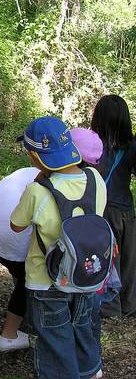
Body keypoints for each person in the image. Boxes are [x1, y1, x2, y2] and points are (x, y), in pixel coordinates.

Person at [11, 116, 106, 379]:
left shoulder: (38, 191)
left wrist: (40, 180)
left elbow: (16, 225)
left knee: (53, 342)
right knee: (84, 330)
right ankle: (89, 372)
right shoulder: (96, 178)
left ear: (35, 156)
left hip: (46, 281)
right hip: (88, 274)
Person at [0, 167, 36, 352]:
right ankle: (9, 335)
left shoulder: (28, 170)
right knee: (29, 277)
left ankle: (22, 308)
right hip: (9, 232)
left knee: (19, 271)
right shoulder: (51, 182)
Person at [91, 95, 136, 318]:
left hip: (103, 208)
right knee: (128, 259)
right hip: (126, 209)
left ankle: (109, 307)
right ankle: (129, 304)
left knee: (107, 258)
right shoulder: (132, 145)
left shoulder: (94, 143)